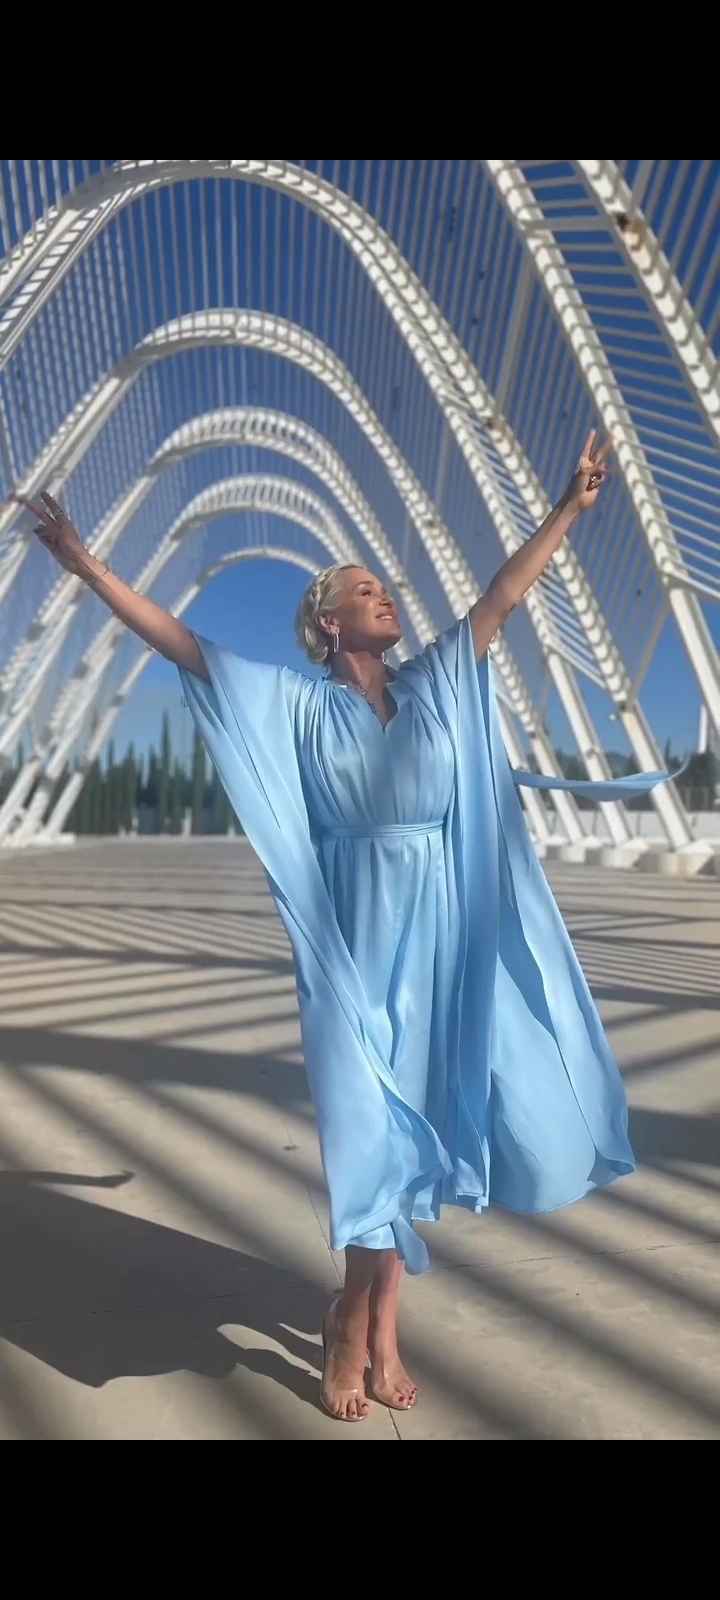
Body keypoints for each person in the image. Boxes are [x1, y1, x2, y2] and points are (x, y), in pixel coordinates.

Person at [17, 431, 673, 1423]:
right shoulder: (293, 705)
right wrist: (87, 565)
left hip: (439, 941)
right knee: (371, 1132)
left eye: (385, 589)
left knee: (422, 1132)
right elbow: (185, 646)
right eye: (364, 591)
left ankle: (374, 1326)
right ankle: (352, 1324)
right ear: (328, 622)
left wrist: (569, 509)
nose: (384, 597)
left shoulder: (436, 686)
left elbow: (502, 597)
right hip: (353, 945)